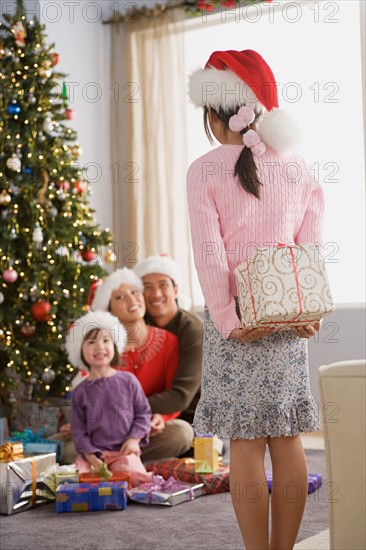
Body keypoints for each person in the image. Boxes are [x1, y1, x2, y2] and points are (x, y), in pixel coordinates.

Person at [186, 49, 323, 550]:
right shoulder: (298, 167)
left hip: (236, 323)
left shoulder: (203, 170)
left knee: (245, 444)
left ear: (214, 114)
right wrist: (307, 308)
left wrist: (227, 316)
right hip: (290, 315)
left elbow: (209, 253)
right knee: (287, 438)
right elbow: (310, 244)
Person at [91, 268, 194, 461]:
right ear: (109, 310)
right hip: (110, 428)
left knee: (182, 433)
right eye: (120, 297)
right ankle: (117, 461)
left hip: (147, 430)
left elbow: (174, 395)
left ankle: (112, 462)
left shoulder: (169, 341)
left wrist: (160, 418)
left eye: (134, 292)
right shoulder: (102, 349)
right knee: (70, 446)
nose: (131, 300)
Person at [65, 310, 152, 486]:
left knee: (132, 473)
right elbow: (78, 430)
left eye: (105, 340)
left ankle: (118, 481)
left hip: (123, 452)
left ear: (115, 346)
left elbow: (143, 414)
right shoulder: (80, 391)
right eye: (91, 342)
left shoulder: (128, 381)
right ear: (80, 350)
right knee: (78, 477)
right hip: (94, 456)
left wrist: (134, 439)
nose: (99, 347)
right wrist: (91, 458)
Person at [134, 254, 203, 425]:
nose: (156, 294)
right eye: (147, 287)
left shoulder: (193, 329)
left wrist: (126, 408)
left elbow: (181, 396)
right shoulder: (137, 325)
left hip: (188, 416)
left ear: (176, 290)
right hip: (144, 411)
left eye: (163, 285)